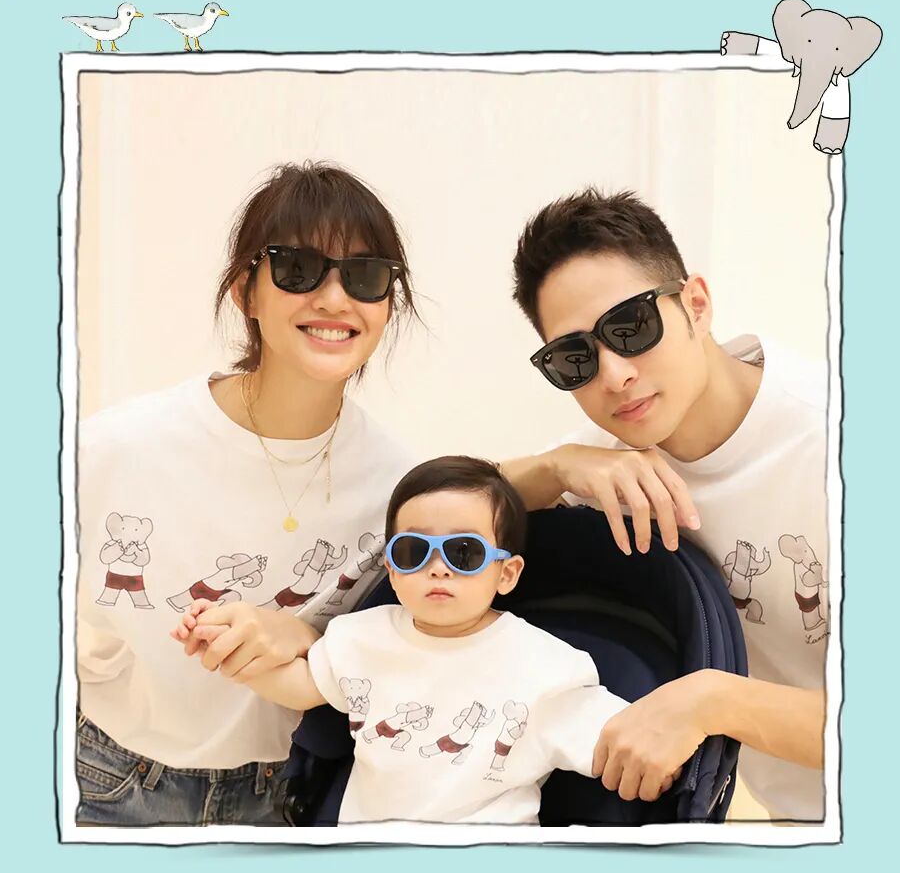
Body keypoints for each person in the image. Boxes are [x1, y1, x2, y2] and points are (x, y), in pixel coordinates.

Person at [76, 162, 420, 826]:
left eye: (365, 276)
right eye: (298, 269)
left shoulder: (398, 486)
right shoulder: (115, 446)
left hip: (285, 799)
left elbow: (401, 644)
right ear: (246, 292)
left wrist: (302, 634)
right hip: (108, 781)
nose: (333, 299)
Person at [502, 189, 828, 822]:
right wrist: (555, 465)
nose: (614, 375)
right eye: (574, 358)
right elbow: (441, 505)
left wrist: (711, 702)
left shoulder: (835, 441)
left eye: (631, 327)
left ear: (696, 305)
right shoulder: (607, 458)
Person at [174, 457, 632, 824]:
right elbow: (304, 686)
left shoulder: (546, 666)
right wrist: (230, 652)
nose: (438, 567)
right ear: (392, 570)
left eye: (464, 552)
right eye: (414, 551)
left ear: (506, 573)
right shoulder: (362, 635)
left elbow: (623, 742)